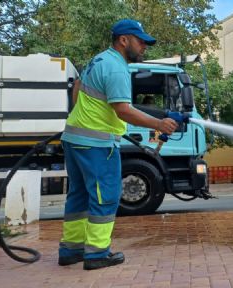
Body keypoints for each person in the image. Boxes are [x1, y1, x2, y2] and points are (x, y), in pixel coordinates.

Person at [58, 19, 177, 270]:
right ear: (124, 40)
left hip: (74, 138)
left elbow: (77, 87)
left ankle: (71, 249)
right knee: (106, 196)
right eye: (140, 40)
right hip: (96, 144)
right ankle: (97, 253)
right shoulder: (117, 68)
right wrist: (159, 124)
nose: (144, 46)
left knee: (79, 195)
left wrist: (83, 115)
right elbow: (123, 110)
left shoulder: (98, 60)